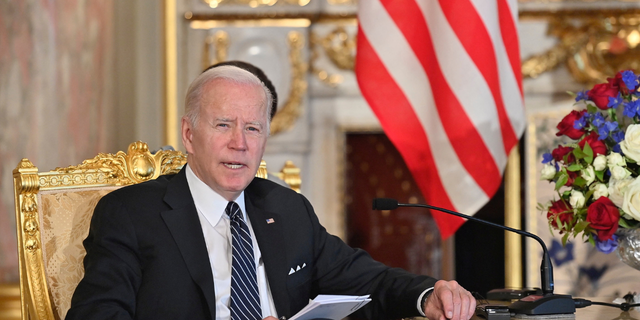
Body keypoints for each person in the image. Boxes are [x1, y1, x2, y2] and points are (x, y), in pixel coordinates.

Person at [66, 61, 476, 320]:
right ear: (189, 135)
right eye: (224, 125)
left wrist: (427, 295)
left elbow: (365, 279)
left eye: (253, 129)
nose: (239, 143)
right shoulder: (130, 215)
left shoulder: (286, 208)